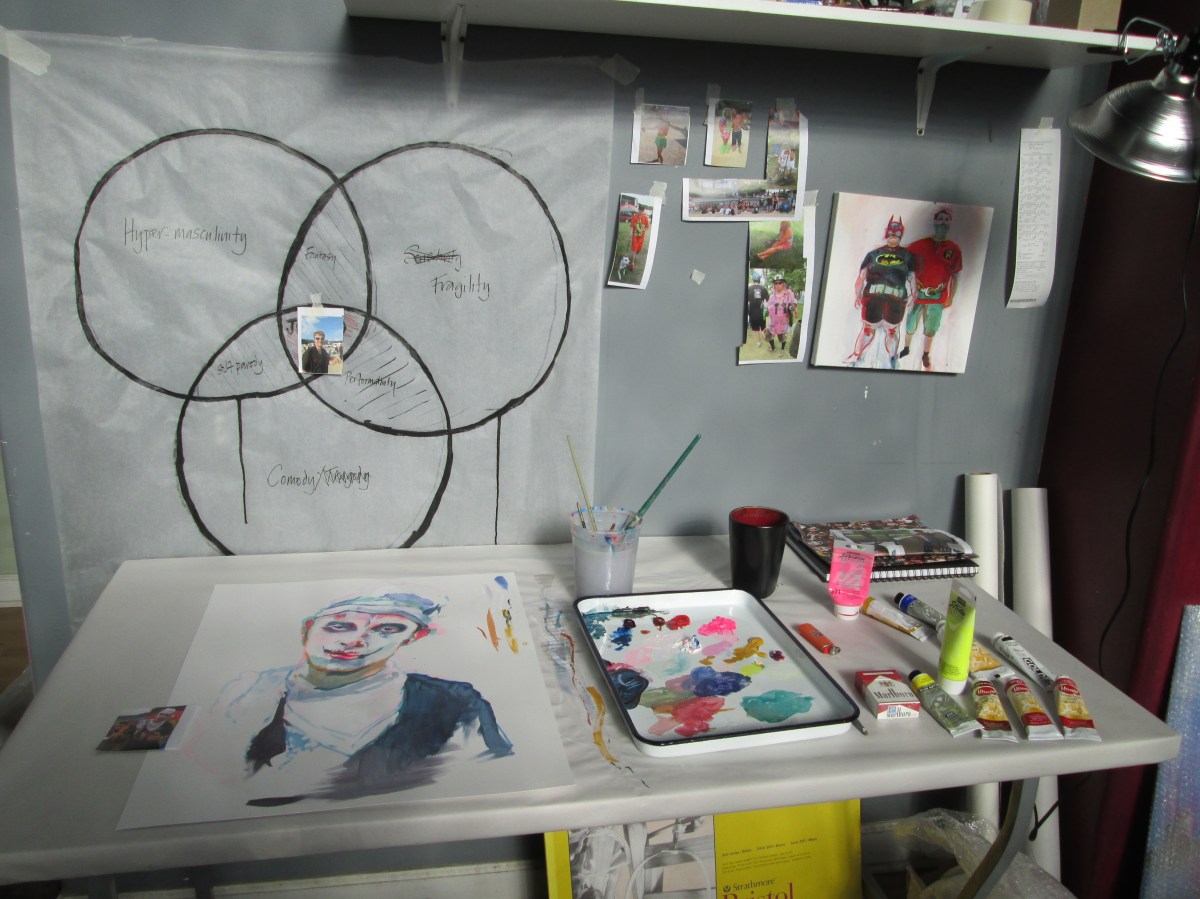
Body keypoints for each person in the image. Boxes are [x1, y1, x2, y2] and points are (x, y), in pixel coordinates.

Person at [223, 592, 512, 803]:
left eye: (387, 629)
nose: (355, 640)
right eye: (339, 626)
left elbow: (488, 777)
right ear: (307, 628)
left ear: (412, 637)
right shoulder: (249, 692)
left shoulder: (453, 703)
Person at [845, 216, 916, 369]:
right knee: (867, 329)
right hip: (873, 298)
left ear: (901, 234)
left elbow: (912, 277)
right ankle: (857, 354)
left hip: (896, 299)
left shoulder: (907, 255)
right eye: (891, 232)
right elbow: (861, 276)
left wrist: (913, 294)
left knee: (892, 331)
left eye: (897, 233)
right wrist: (857, 294)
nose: (893, 236)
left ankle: (892, 358)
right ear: (886, 232)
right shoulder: (873, 254)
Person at [901, 206, 963, 372]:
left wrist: (951, 296)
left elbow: (956, 275)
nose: (942, 222)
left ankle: (925, 355)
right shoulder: (920, 244)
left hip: (938, 295)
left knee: (931, 327)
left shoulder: (954, 249)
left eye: (946, 219)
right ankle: (906, 348)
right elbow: (903, 255)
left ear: (949, 223)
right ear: (935, 222)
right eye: (940, 219)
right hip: (920, 294)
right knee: (911, 323)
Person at [766, 275, 798, 355]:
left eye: (780, 283)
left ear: (783, 283)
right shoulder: (772, 296)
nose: (777, 285)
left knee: (782, 337)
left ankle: (782, 349)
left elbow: (794, 303)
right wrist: (765, 309)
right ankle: (773, 347)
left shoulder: (789, 294)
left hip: (783, 322)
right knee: (768, 335)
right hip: (773, 321)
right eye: (776, 283)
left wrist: (792, 307)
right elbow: (768, 307)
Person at [745, 270, 769, 347]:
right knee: (763, 327)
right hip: (762, 313)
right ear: (759, 280)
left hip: (752, 313)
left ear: (753, 279)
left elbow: (747, 302)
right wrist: (766, 311)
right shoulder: (764, 288)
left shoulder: (749, 289)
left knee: (755, 329)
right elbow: (766, 302)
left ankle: (758, 342)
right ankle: (766, 337)